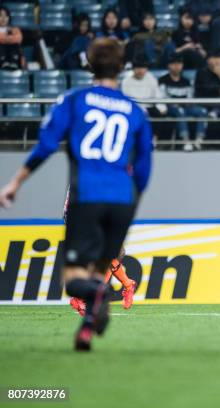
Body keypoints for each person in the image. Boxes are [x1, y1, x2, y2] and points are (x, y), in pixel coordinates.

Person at [0, 38, 153, 351]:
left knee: (72, 280)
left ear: (89, 65)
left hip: (88, 195)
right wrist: (132, 199)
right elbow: (145, 167)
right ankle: (86, 330)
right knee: (99, 272)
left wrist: (16, 182)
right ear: (121, 67)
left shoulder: (75, 100)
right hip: (122, 200)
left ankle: (98, 299)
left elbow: (45, 145)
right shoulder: (135, 112)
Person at [65, 188, 136, 315]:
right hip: (85, 218)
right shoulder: (95, 180)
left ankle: (127, 285)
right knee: (108, 254)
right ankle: (85, 297)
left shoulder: (88, 177)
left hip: (83, 218)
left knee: (111, 253)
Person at [159, 53, 207, 151]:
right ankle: (186, 141)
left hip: (186, 107)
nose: (177, 67)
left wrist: (186, 103)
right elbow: (162, 97)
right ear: (169, 65)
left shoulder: (186, 81)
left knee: (202, 111)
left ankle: (199, 140)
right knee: (179, 111)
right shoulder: (163, 80)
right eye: (174, 64)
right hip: (170, 108)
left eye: (179, 64)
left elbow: (190, 97)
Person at [193, 48, 220, 150]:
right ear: (208, 60)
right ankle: (215, 112)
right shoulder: (202, 73)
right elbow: (204, 89)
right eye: (214, 58)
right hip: (205, 103)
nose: (217, 61)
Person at [121, 55, 168, 146]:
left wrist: (162, 107)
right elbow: (126, 98)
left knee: (159, 114)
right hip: (134, 108)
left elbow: (157, 95)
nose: (140, 70)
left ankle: (154, 139)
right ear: (134, 69)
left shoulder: (151, 78)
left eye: (143, 68)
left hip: (149, 106)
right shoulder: (126, 81)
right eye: (138, 68)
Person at [0, 6, 23, 70]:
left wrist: (4, 38)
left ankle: (13, 62)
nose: (3, 18)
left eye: (6, 16)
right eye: (1, 15)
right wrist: (10, 38)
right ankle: (4, 62)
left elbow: (19, 38)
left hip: (13, 60)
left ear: (9, 17)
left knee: (15, 45)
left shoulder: (14, 29)